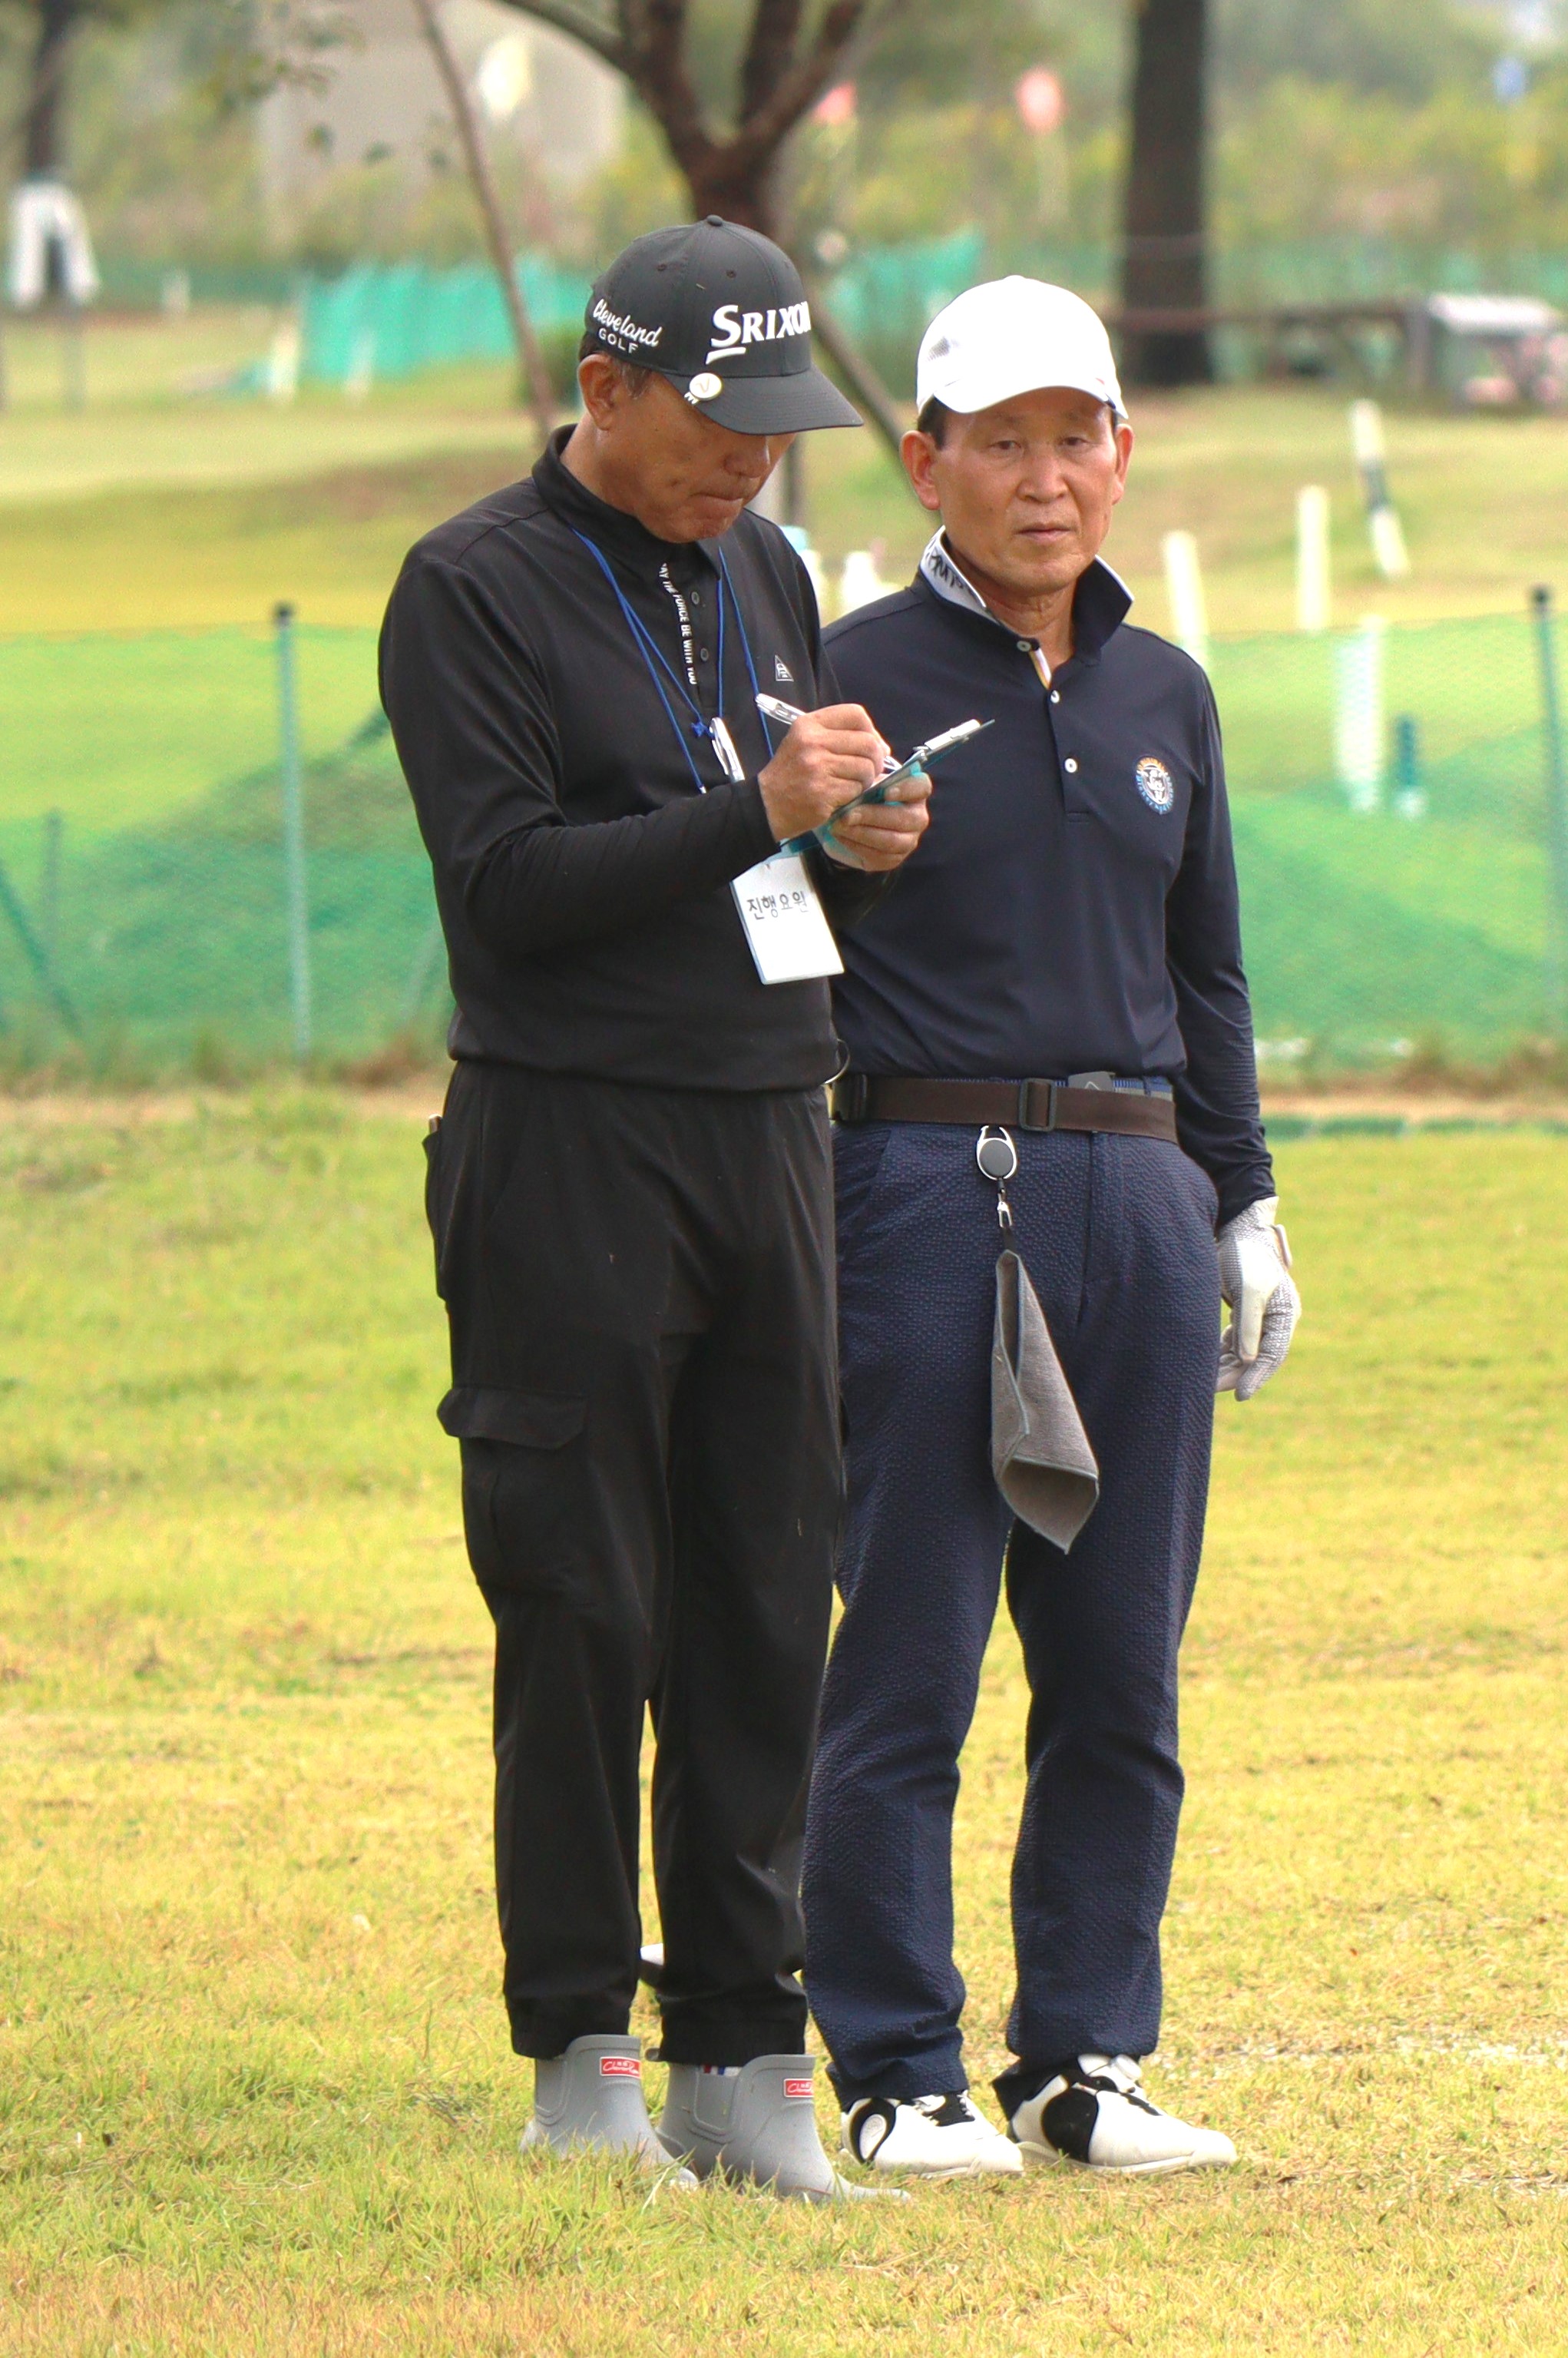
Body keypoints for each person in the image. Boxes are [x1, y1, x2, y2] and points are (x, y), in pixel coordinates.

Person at [382, 218, 925, 2200]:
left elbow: (762, 857)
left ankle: (742, 2052)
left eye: (778, 428)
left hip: (770, 1129)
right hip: (570, 1144)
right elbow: (508, 889)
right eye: (718, 423)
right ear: (602, 389)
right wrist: (762, 810)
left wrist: (857, 843)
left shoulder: (764, 571)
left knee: (769, 1596)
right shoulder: (470, 589)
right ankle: (578, 2054)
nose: (751, 463)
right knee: (585, 1598)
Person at [799, 277, 1292, 2180]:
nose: (1041, 476)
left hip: (1143, 1199)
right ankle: (896, 2060)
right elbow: (762, 941)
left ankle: (1085, 2057)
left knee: (1121, 1663)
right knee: (911, 1648)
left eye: (1072, 435)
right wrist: (812, 844)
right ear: (924, 458)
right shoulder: (844, 678)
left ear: (1121, 450)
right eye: (997, 440)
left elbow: (1210, 970)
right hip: (925, 1192)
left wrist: (1242, 1197)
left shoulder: (1170, 689)